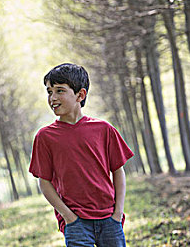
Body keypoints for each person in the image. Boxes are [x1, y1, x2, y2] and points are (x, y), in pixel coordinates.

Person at [29, 63, 134, 247]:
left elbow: (118, 171)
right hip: (76, 223)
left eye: (59, 90)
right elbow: (44, 182)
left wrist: (117, 214)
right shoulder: (45, 137)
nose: (52, 97)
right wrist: (68, 216)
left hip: (109, 219)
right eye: (49, 91)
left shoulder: (104, 130)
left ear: (80, 94)